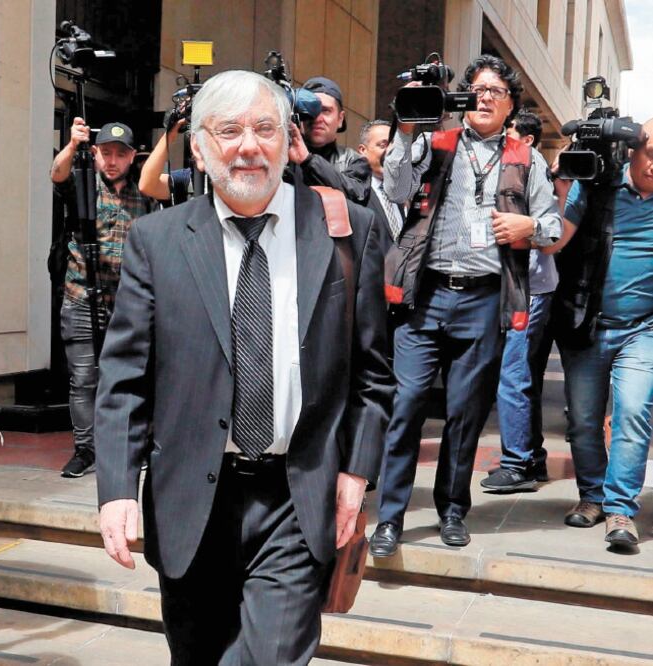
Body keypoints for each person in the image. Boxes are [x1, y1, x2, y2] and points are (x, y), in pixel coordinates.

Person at [95, 70, 392, 665]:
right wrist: (117, 488)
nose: (248, 146)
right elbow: (124, 379)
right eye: (228, 131)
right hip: (190, 502)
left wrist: (357, 474)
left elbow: (374, 375)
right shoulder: (156, 241)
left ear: (289, 142)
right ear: (199, 149)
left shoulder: (345, 232)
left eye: (265, 128)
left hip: (296, 494)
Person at [370, 55, 561, 556]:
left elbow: (554, 227)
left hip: (483, 301)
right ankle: (389, 518)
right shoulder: (436, 142)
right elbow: (396, 188)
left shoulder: (527, 157)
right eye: (476, 89)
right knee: (406, 404)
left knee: (464, 412)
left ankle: (453, 509)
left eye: (495, 91)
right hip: (426, 295)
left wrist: (529, 229)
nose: (483, 97)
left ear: (511, 104)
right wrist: (410, 123)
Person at [550, 117, 653, 548]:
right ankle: (591, 497)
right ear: (633, 150)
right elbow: (555, 238)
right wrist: (561, 183)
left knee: (632, 413)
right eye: (652, 153)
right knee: (585, 421)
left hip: (644, 330)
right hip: (587, 323)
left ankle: (620, 511)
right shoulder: (596, 186)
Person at [50, 119, 155, 478]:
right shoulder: (83, 183)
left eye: (120, 154)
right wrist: (71, 145)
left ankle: (130, 445)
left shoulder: (145, 190)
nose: (112, 161)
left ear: (132, 157)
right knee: (83, 378)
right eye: (105, 153)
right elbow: (57, 175)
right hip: (82, 293)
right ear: (95, 153)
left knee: (131, 375)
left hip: (127, 300)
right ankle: (85, 449)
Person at [481, 109, 558, 493]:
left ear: (525, 139)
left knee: (514, 375)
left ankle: (517, 464)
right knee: (523, 375)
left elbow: (550, 230)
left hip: (529, 288)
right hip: (521, 285)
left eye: (508, 131)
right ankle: (533, 458)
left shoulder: (532, 164)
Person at [287, 76, 371, 203]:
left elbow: (356, 196)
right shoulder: (284, 157)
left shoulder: (354, 161)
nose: (317, 118)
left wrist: (308, 161)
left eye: (325, 111)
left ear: (340, 119)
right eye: (310, 110)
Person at [358, 118, 405, 249]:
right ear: (363, 150)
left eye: (394, 146)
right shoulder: (354, 193)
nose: (390, 152)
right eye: (383, 145)